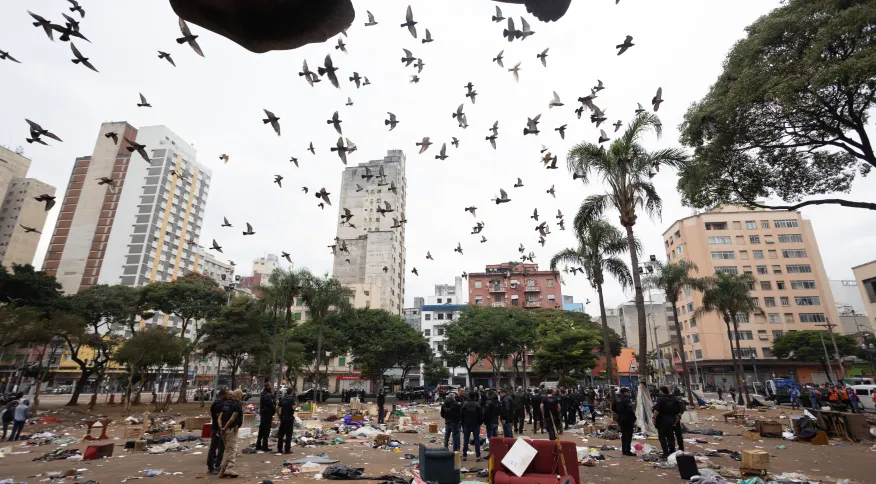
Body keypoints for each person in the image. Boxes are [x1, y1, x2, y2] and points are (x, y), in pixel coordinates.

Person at [218, 389, 244, 478]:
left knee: (227, 450)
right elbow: (232, 419)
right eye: (241, 394)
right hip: (231, 430)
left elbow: (220, 418)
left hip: (224, 430)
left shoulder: (226, 404)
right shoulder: (237, 405)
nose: (242, 396)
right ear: (237, 395)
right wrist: (224, 428)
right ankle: (229, 468)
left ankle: (222, 470)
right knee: (232, 449)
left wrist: (221, 428)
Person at [652, 386, 679, 458]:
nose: (659, 392)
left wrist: (654, 417)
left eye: (660, 390)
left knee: (662, 437)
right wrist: (676, 419)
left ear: (662, 391)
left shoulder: (660, 399)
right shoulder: (672, 398)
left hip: (662, 420)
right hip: (671, 419)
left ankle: (665, 452)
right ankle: (672, 451)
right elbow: (676, 410)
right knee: (670, 436)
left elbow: (657, 410)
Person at [207, 388, 229, 474]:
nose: (228, 396)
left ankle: (217, 464)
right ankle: (211, 467)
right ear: (223, 395)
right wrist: (221, 428)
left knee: (221, 447)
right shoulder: (218, 405)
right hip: (217, 428)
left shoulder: (221, 403)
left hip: (219, 428)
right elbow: (220, 418)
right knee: (213, 448)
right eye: (227, 394)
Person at [460, 391, 483, 462]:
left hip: (466, 424)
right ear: (474, 396)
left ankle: (464, 455)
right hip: (475, 424)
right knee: (476, 440)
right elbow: (481, 415)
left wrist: (462, 423)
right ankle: (478, 456)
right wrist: (479, 423)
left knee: (466, 440)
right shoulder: (477, 404)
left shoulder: (465, 404)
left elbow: (461, 415)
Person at [615, 388, 637, 456]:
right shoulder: (627, 399)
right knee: (628, 435)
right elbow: (630, 410)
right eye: (627, 392)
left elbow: (614, 409)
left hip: (621, 420)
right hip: (627, 420)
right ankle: (627, 450)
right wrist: (634, 419)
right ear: (625, 392)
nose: (628, 393)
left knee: (624, 435)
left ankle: (624, 450)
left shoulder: (618, 399)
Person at [256, 382, 275, 451]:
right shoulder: (268, 395)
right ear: (267, 387)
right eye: (270, 386)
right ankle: (265, 446)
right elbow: (271, 405)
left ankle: (258, 445)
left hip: (263, 414)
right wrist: (273, 411)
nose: (271, 387)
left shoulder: (263, 394)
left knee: (261, 430)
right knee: (266, 430)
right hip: (267, 415)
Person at [276, 389, 296, 454]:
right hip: (289, 419)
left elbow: (277, 408)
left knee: (281, 435)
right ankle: (287, 450)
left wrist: (279, 416)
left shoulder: (282, 399)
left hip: (283, 419)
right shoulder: (292, 399)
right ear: (292, 392)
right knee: (288, 435)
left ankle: (279, 449)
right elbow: (293, 408)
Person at [671, 388, 686, 452]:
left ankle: (672, 449)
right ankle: (681, 448)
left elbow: (681, 407)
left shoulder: (674, 398)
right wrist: (679, 415)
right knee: (678, 434)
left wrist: (678, 415)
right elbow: (682, 408)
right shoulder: (679, 398)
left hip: (673, 417)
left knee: (671, 434)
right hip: (676, 417)